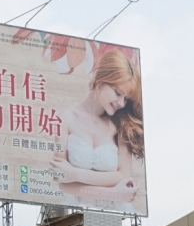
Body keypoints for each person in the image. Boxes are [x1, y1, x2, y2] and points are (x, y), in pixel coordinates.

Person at [48, 51, 143, 208]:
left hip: (116, 211)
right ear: (101, 80)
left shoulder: (121, 125)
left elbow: (124, 174)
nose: (121, 103)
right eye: (118, 93)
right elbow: (61, 179)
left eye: (126, 98)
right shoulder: (65, 118)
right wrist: (114, 193)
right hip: (76, 211)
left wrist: (75, 174)